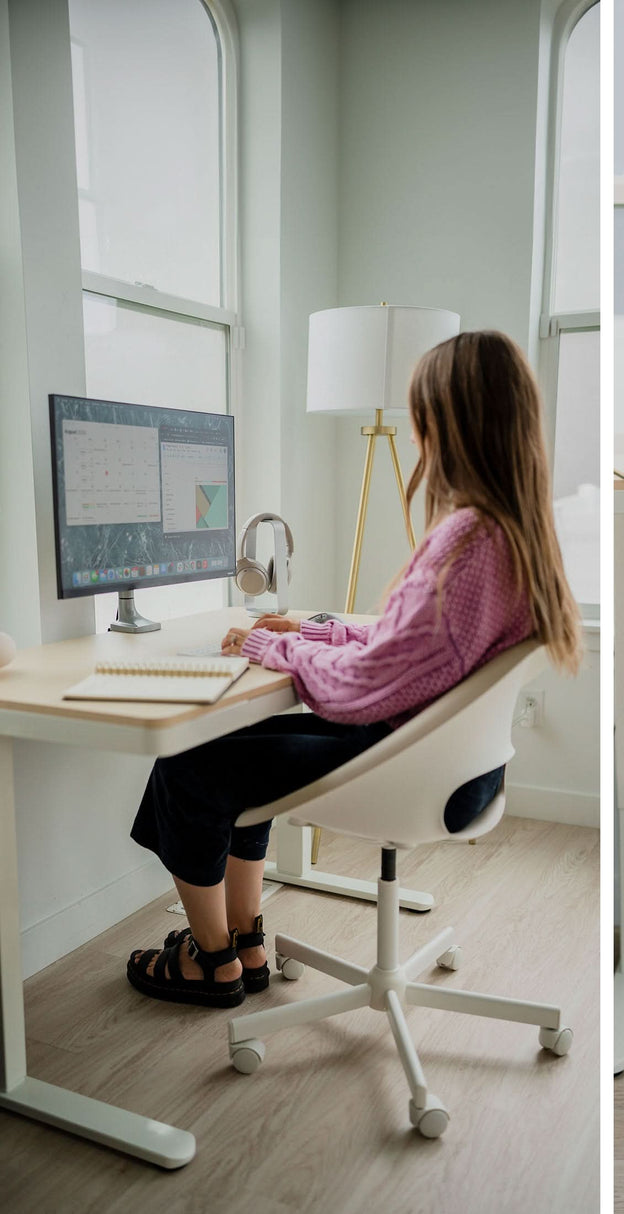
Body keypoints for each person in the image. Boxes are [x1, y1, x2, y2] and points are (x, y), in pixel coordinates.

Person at [126, 330, 582, 1010]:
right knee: (231, 754)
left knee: (186, 765)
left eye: (422, 416)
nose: (418, 433)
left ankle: (210, 960)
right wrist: (316, 630)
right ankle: (246, 942)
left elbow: (360, 687)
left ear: (448, 422)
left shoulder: (465, 540)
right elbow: (414, 645)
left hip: (405, 760)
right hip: (448, 759)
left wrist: (270, 648)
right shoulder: (515, 531)